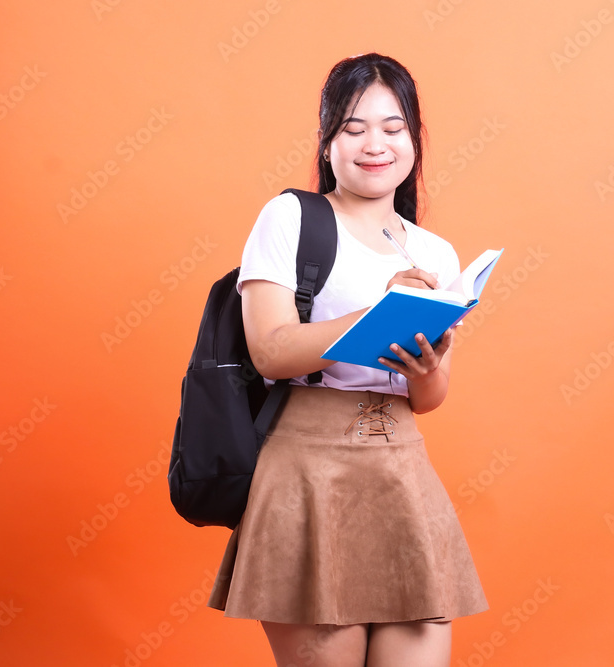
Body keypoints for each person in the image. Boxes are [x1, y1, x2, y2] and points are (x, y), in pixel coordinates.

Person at [208, 52, 488, 667]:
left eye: (393, 128)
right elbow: (271, 350)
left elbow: (431, 399)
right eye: (353, 128)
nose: (374, 144)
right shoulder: (291, 218)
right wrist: (377, 313)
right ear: (327, 141)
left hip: (402, 473)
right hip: (306, 474)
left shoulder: (434, 251)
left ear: (414, 140)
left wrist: (427, 368)